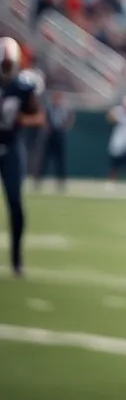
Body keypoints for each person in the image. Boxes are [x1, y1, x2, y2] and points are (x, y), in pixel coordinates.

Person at [0, 37, 44, 276]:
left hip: (11, 145)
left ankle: (16, 260)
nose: (7, 69)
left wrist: (21, 119)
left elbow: (38, 117)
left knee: (15, 203)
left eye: (9, 64)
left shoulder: (23, 86)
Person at [35, 90, 72, 192]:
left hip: (60, 135)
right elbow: (43, 120)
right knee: (44, 160)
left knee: (60, 161)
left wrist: (64, 127)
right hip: (49, 136)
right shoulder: (48, 109)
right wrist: (47, 128)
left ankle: (61, 183)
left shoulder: (65, 110)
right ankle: (38, 181)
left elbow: (69, 120)